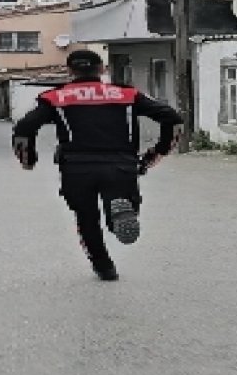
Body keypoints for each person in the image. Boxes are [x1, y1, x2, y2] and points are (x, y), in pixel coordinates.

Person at [11, 50, 182, 281]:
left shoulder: (55, 97)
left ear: (70, 71)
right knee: (123, 202)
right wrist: (158, 152)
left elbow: (24, 128)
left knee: (85, 217)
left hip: (76, 168)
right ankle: (119, 214)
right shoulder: (127, 94)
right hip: (121, 163)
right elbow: (171, 118)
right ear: (102, 69)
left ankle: (104, 267)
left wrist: (27, 159)